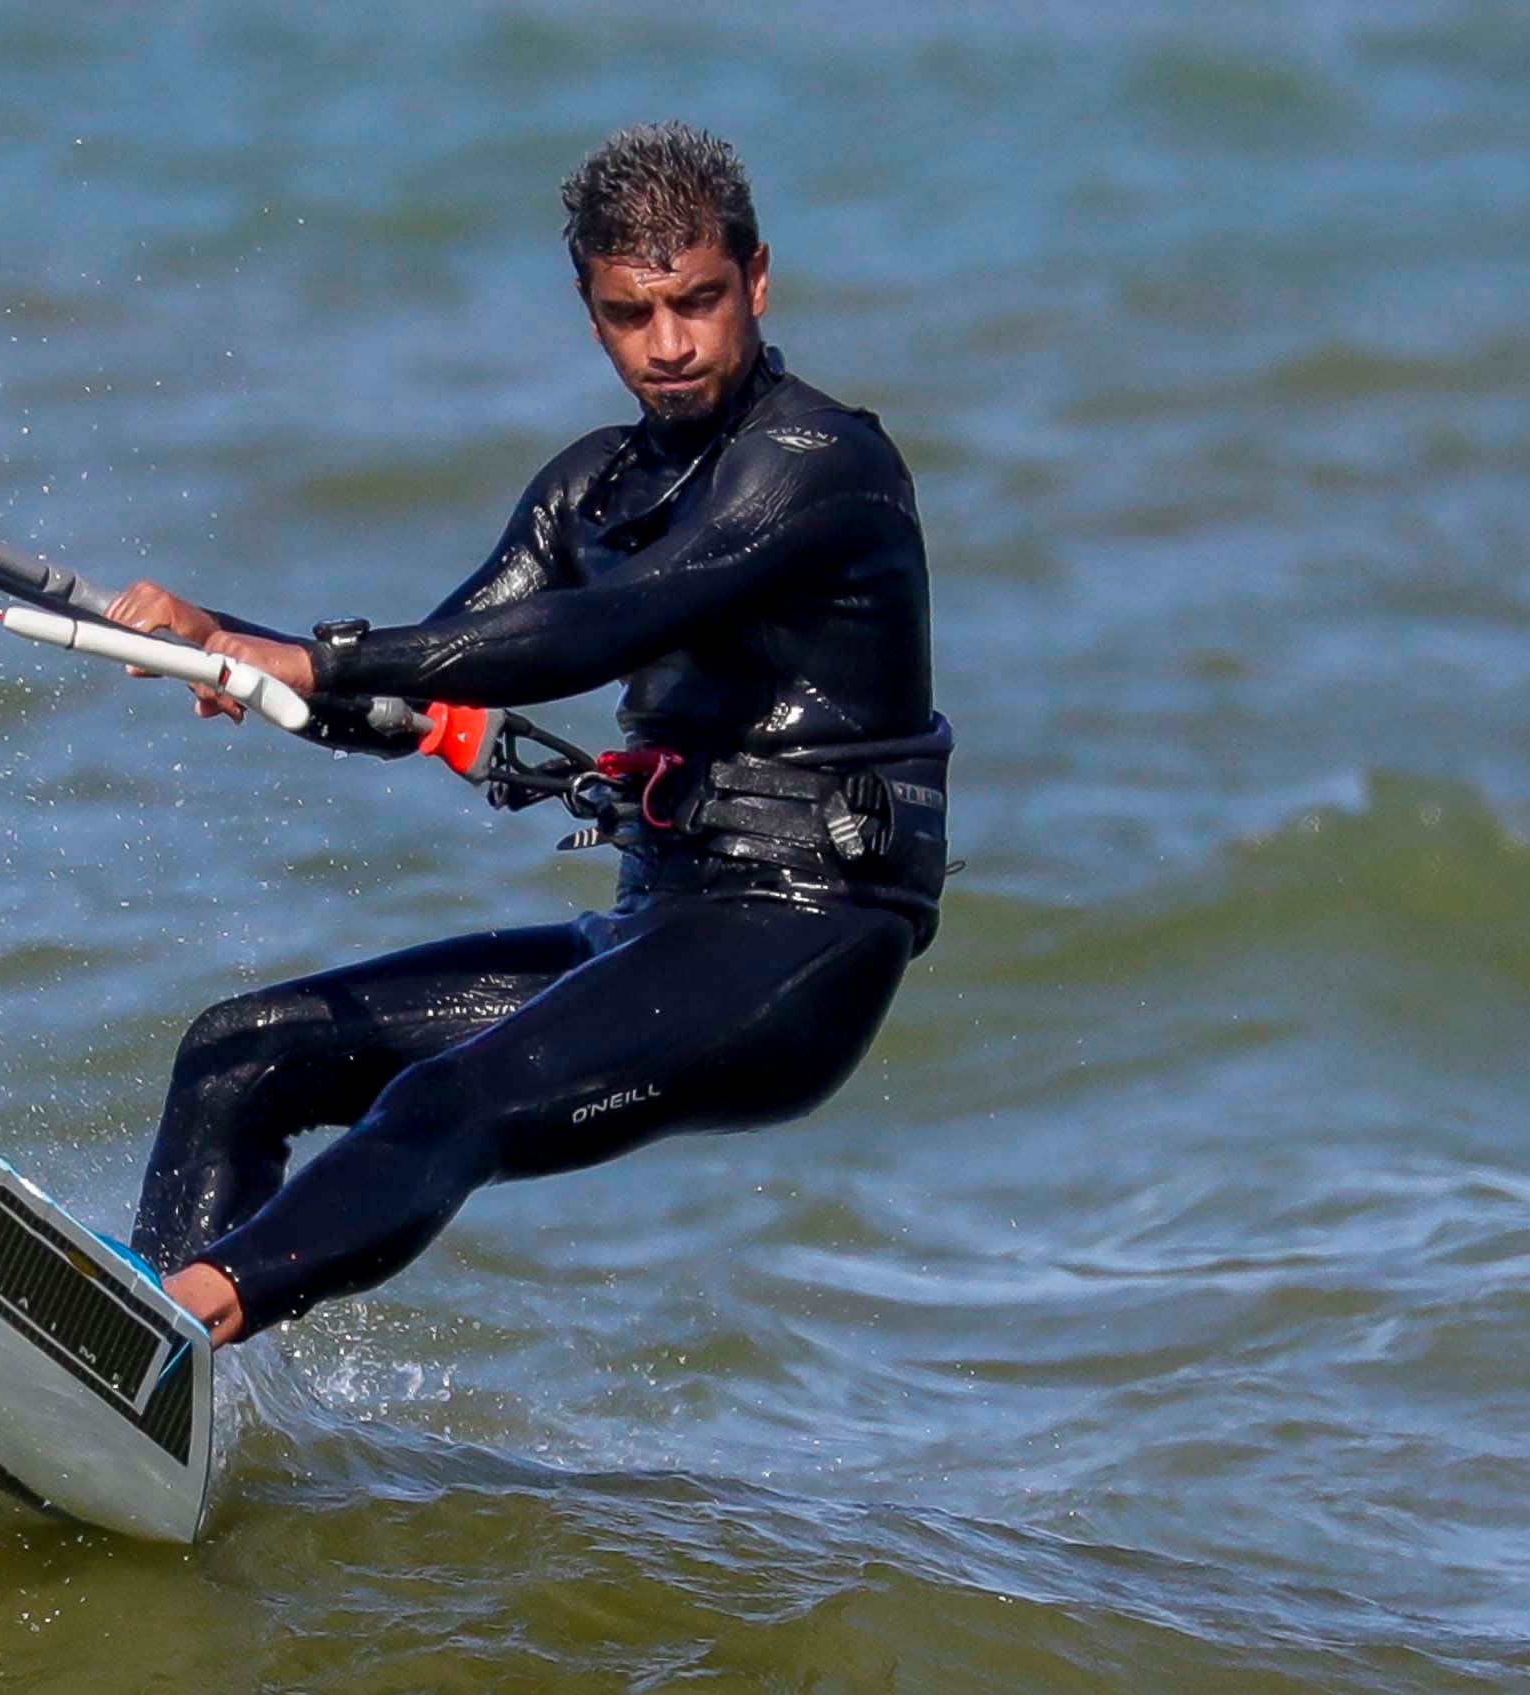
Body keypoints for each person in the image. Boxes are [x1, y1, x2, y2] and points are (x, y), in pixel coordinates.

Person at [110, 122, 952, 1346]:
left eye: (699, 303)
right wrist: (217, 642)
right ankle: (150, 1388)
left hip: (802, 938)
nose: (668, 345)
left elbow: (596, 633)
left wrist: (315, 653)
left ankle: (170, 1325)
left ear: (756, 280)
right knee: (242, 1051)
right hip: (656, 922)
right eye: (630, 314)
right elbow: (410, 701)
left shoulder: (819, 465)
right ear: (589, 307)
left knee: (454, 1100)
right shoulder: (589, 490)